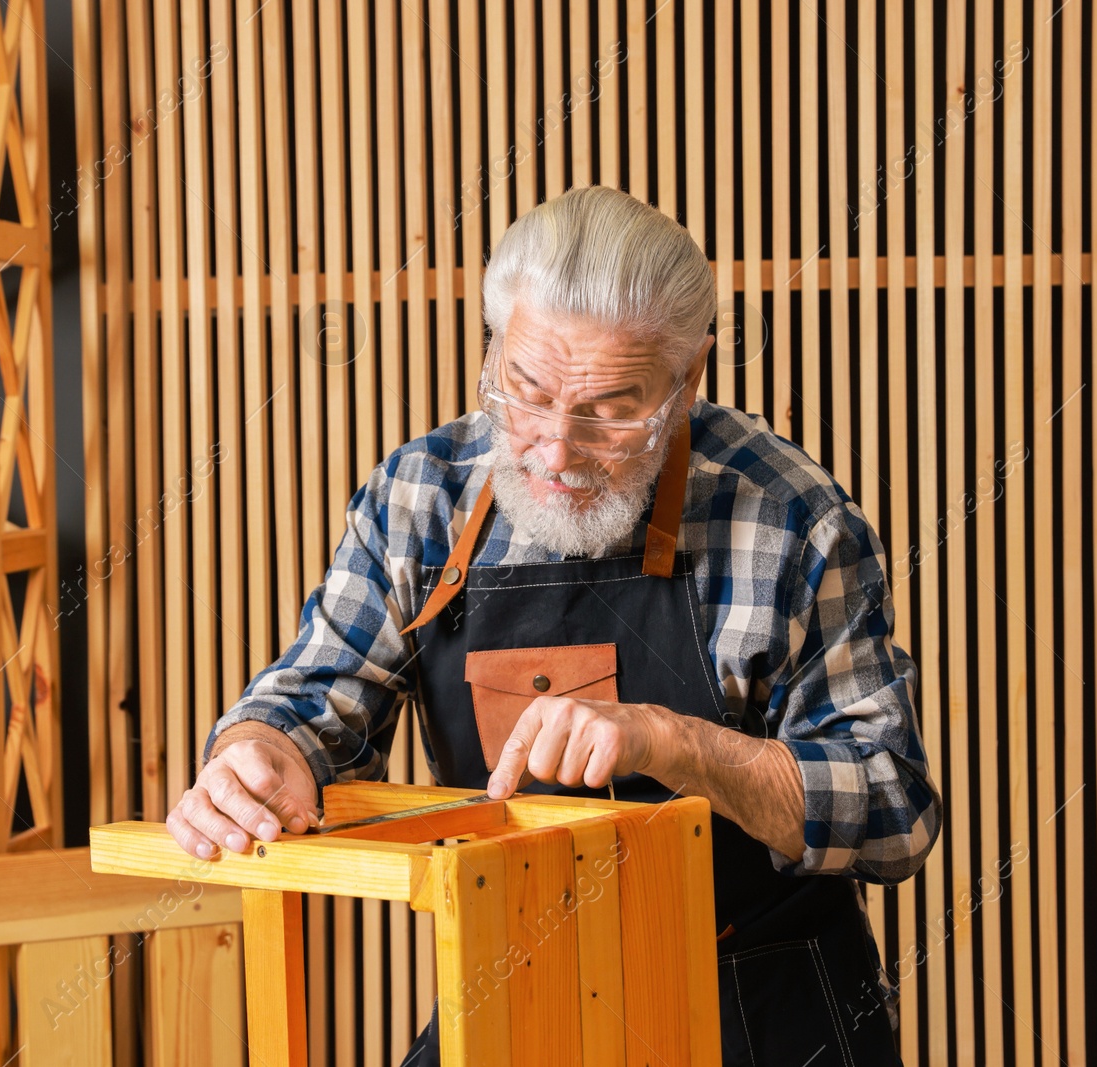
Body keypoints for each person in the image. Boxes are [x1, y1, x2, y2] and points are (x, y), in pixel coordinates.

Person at [165, 184, 942, 1066]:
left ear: (688, 379)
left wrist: (669, 741)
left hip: (761, 1004)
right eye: (525, 391)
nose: (554, 450)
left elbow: (893, 808)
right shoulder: (422, 496)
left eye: (610, 408)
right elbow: (316, 698)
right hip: (520, 984)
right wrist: (265, 746)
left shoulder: (793, 520)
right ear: (495, 348)